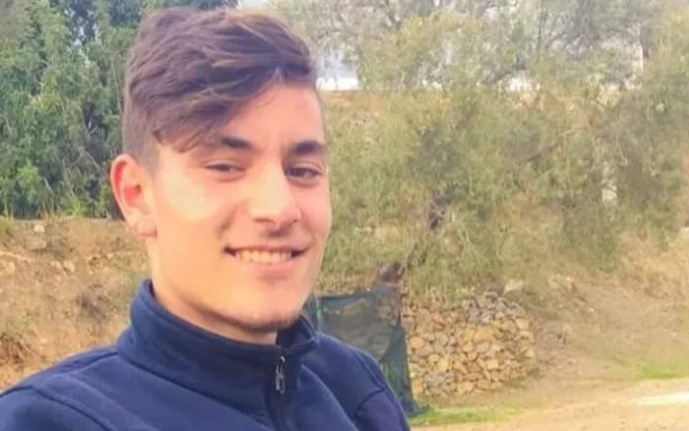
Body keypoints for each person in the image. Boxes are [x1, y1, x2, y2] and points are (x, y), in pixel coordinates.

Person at [0, 7, 410, 431]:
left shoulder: (356, 393)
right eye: (225, 167)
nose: (279, 208)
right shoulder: (47, 421)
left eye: (302, 171)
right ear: (136, 195)